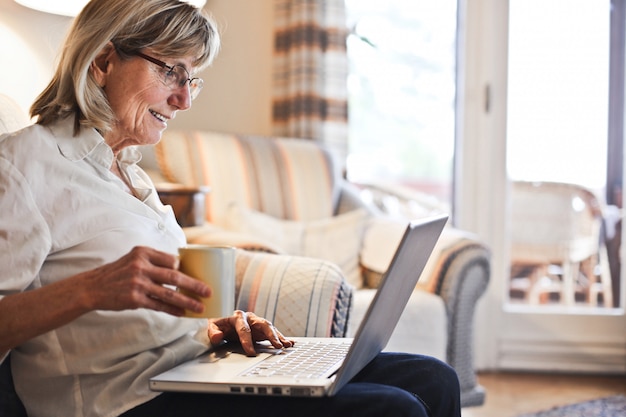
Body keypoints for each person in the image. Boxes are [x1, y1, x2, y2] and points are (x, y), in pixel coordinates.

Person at [0, 0, 461, 416]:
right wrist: (91, 289)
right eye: (169, 72)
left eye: (190, 79)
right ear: (103, 60)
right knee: (392, 408)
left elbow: (141, 315)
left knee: (434, 378)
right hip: (124, 401)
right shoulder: (24, 165)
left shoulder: (128, 172)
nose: (183, 100)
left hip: (188, 370)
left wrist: (215, 328)